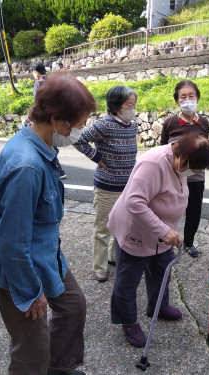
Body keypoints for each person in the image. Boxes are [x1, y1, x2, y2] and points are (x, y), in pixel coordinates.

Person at [0, 72, 97, 375]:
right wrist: (29, 293)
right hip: (16, 265)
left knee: (72, 305)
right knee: (31, 348)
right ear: (56, 118)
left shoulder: (41, 143)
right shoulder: (25, 166)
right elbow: (12, 243)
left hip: (44, 252)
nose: (81, 130)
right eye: (78, 124)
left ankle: (58, 368)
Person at [107, 134, 209, 347]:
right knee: (127, 280)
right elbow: (134, 201)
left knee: (161, 269)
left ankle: (158, 305)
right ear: (181, 155)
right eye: (191, 168)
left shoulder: (181, 160)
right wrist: (163, 230)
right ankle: (128, 322)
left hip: (163, 231)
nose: (191, 173)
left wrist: (166, 230)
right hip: (136, 230)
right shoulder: (153, 163)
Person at [73, 85, 138, 283]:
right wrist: (96, 156)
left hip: (127, 186)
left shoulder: (132, 124)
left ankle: (112, 257)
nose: (133, 108)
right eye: (129, 104)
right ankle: (99, 266)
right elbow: (78, 140)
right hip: (107, 186)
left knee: (121, 225)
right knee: (103, 228)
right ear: (117, 106)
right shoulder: (104, 124)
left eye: (134, 104)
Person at [160, 80, 209, 258]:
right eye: (183, 97)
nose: (188, 100)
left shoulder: (203, 123)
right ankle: (165, 238)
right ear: (177, 101)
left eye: (191, 96)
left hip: (196, 175)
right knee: (167, 207)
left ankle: (189, 242)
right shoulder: (170, 123)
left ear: (197, 99)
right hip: (173, 174)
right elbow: (163, 148)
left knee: (194, 209)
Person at [32, 63, 67, 179]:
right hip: (56, 117)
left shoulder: (38, 83)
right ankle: (53, 168)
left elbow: (38, 103)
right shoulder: (53, 82)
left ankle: (58, 170)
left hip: (44, 119)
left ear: (36, 72)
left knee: (46, 144)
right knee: (49, 143)